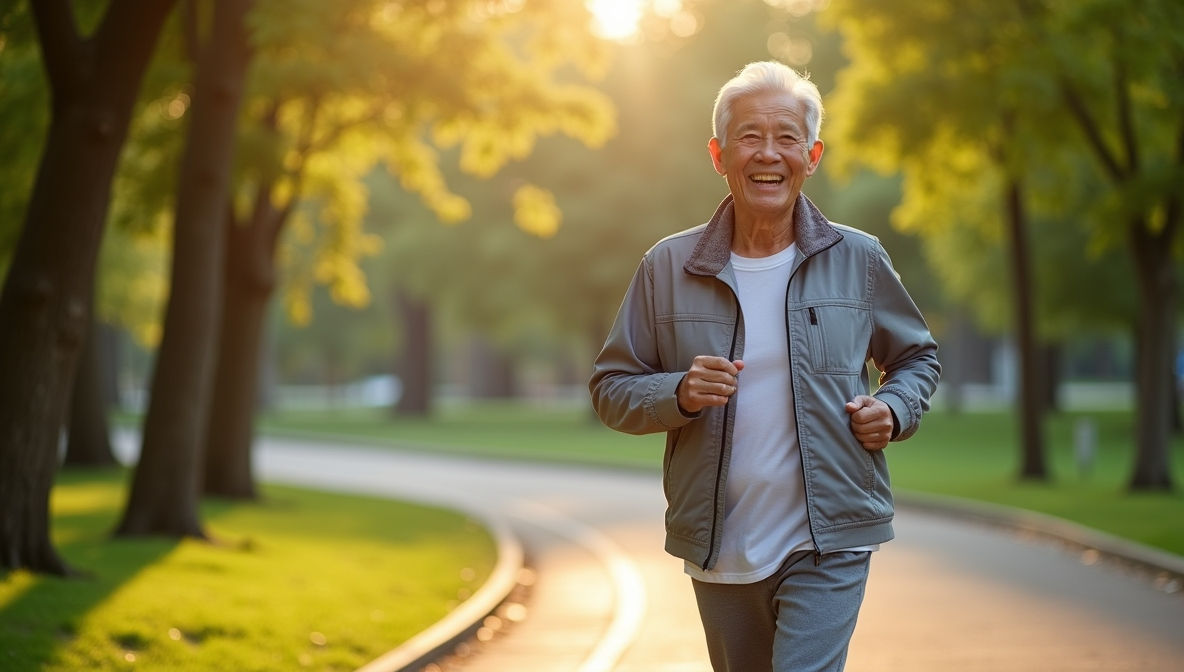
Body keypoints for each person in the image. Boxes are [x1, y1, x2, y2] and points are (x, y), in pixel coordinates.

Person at [589, 61, 940, 672]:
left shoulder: (858, 259)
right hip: (720, 542)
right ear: (718, 153)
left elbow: (915, 357)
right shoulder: (667, 267)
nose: (768, 153)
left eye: (786, 137)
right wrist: (680, 392)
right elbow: (611, 387)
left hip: (832, 537)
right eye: (750, 135)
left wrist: (894, 407)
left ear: (813, 153)